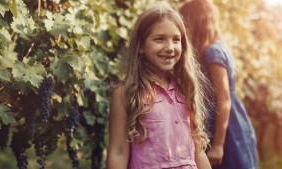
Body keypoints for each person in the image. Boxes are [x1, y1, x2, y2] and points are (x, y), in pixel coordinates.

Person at [107, 3, 212, 169]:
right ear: (141, 46)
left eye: (176, 40)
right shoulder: (126, 93)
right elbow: (118, 152)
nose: (169, 48)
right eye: (159, 39)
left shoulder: (186, 89)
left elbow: (198, 151)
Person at [179, 0, 259, 169]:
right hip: (229, 123)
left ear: (196, 22)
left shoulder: (212, 52)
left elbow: (223, 98)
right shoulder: (219, 47)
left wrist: (218, 145)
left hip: (226, 129)